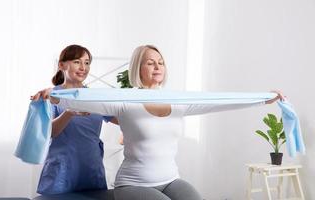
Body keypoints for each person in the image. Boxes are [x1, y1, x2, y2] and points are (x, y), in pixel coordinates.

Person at [33, 45, 285, 200]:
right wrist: (53, 94)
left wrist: (262, 100)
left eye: (161, 62)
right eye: (150, 62)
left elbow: (220, 102)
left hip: (171, 179)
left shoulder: (177, 101)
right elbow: (81, 100)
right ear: (137, 68)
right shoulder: (123, 100)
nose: (157, 66)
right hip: (132, 184)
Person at [32, 44, 117, 195]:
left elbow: (122, 120)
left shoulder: (95, 98)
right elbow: (50, 132)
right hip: (61, 172)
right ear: (61, 65)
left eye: (87, 62)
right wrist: (69, 113)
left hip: (92, 171)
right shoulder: (52, 96)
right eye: (77, 62)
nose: (83, 67)